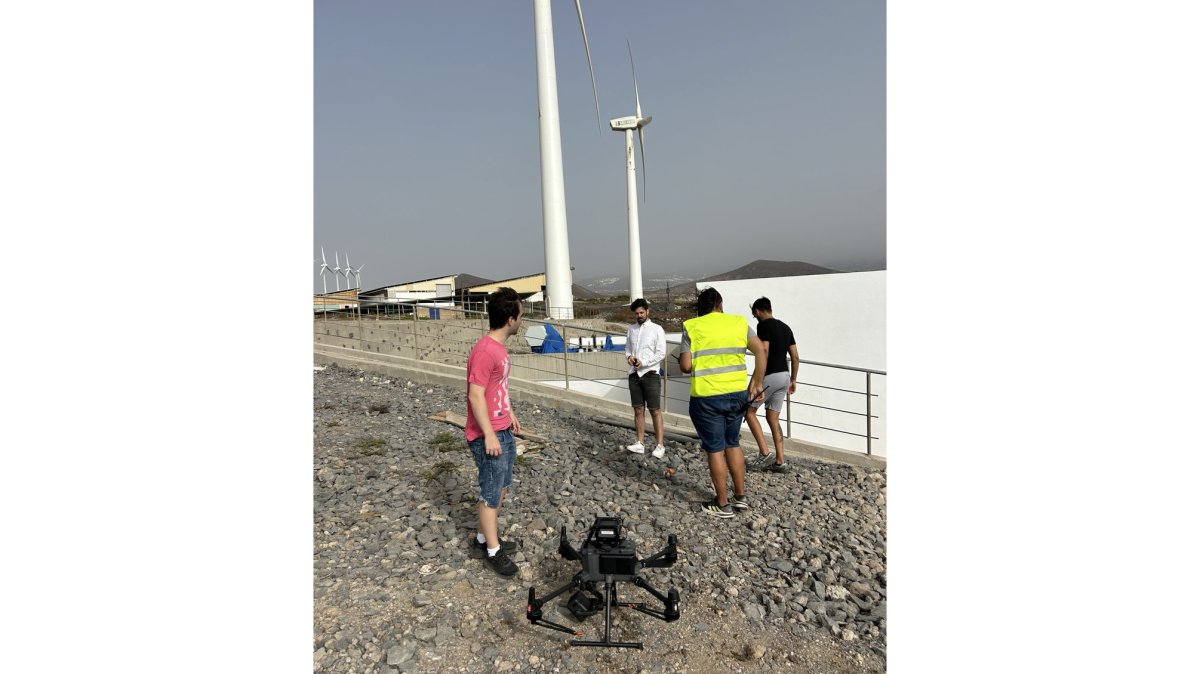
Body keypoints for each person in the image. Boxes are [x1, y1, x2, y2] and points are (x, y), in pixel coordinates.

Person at [678, 287, 766, 518]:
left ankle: (723, 504)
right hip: (737, 394)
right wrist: (757, 383)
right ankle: (740, 497)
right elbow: (761, 350)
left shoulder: (692, 326)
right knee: (732, 443)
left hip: (707, 396)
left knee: (715, 448)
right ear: (720, 304)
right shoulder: (738, 322)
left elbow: (685, 366)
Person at [464, 287, 523, 576]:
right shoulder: (485, 351)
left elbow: (496, 388)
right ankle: (492, 550)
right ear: (510, 319)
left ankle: (482, 539)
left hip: (502, 428)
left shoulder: (498, 349)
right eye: (521, 315)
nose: (522, 320)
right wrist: (488, 434)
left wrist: (508, 412)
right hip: (489, 434)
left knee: (501, 487)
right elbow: (475, 395)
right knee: (491, 492)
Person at [744, 297, 799, 473]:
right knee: (773, 418)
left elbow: (764, 352)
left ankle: (764, 453)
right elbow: (795, 356)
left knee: (749, 411)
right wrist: (793, 379)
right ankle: (780, 461)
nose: (755, 318)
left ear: (757, 311)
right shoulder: (786, 327)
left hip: (770, 375)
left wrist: (755, 381)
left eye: (754, 315)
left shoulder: (763, 326)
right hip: (784, 376)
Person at [624, 298, 667, 458]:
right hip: (634, 375)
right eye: (636, 313)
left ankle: (660, 445)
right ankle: (640, 443)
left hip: (651, 374)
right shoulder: (631, 329)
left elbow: (661, 353)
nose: (639, 315)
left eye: (642, 312)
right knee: (638, 409)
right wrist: (629, 357)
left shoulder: (657, 329)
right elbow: (628, 348)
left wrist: (644, 362)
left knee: (655, 410)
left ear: (648, 311)